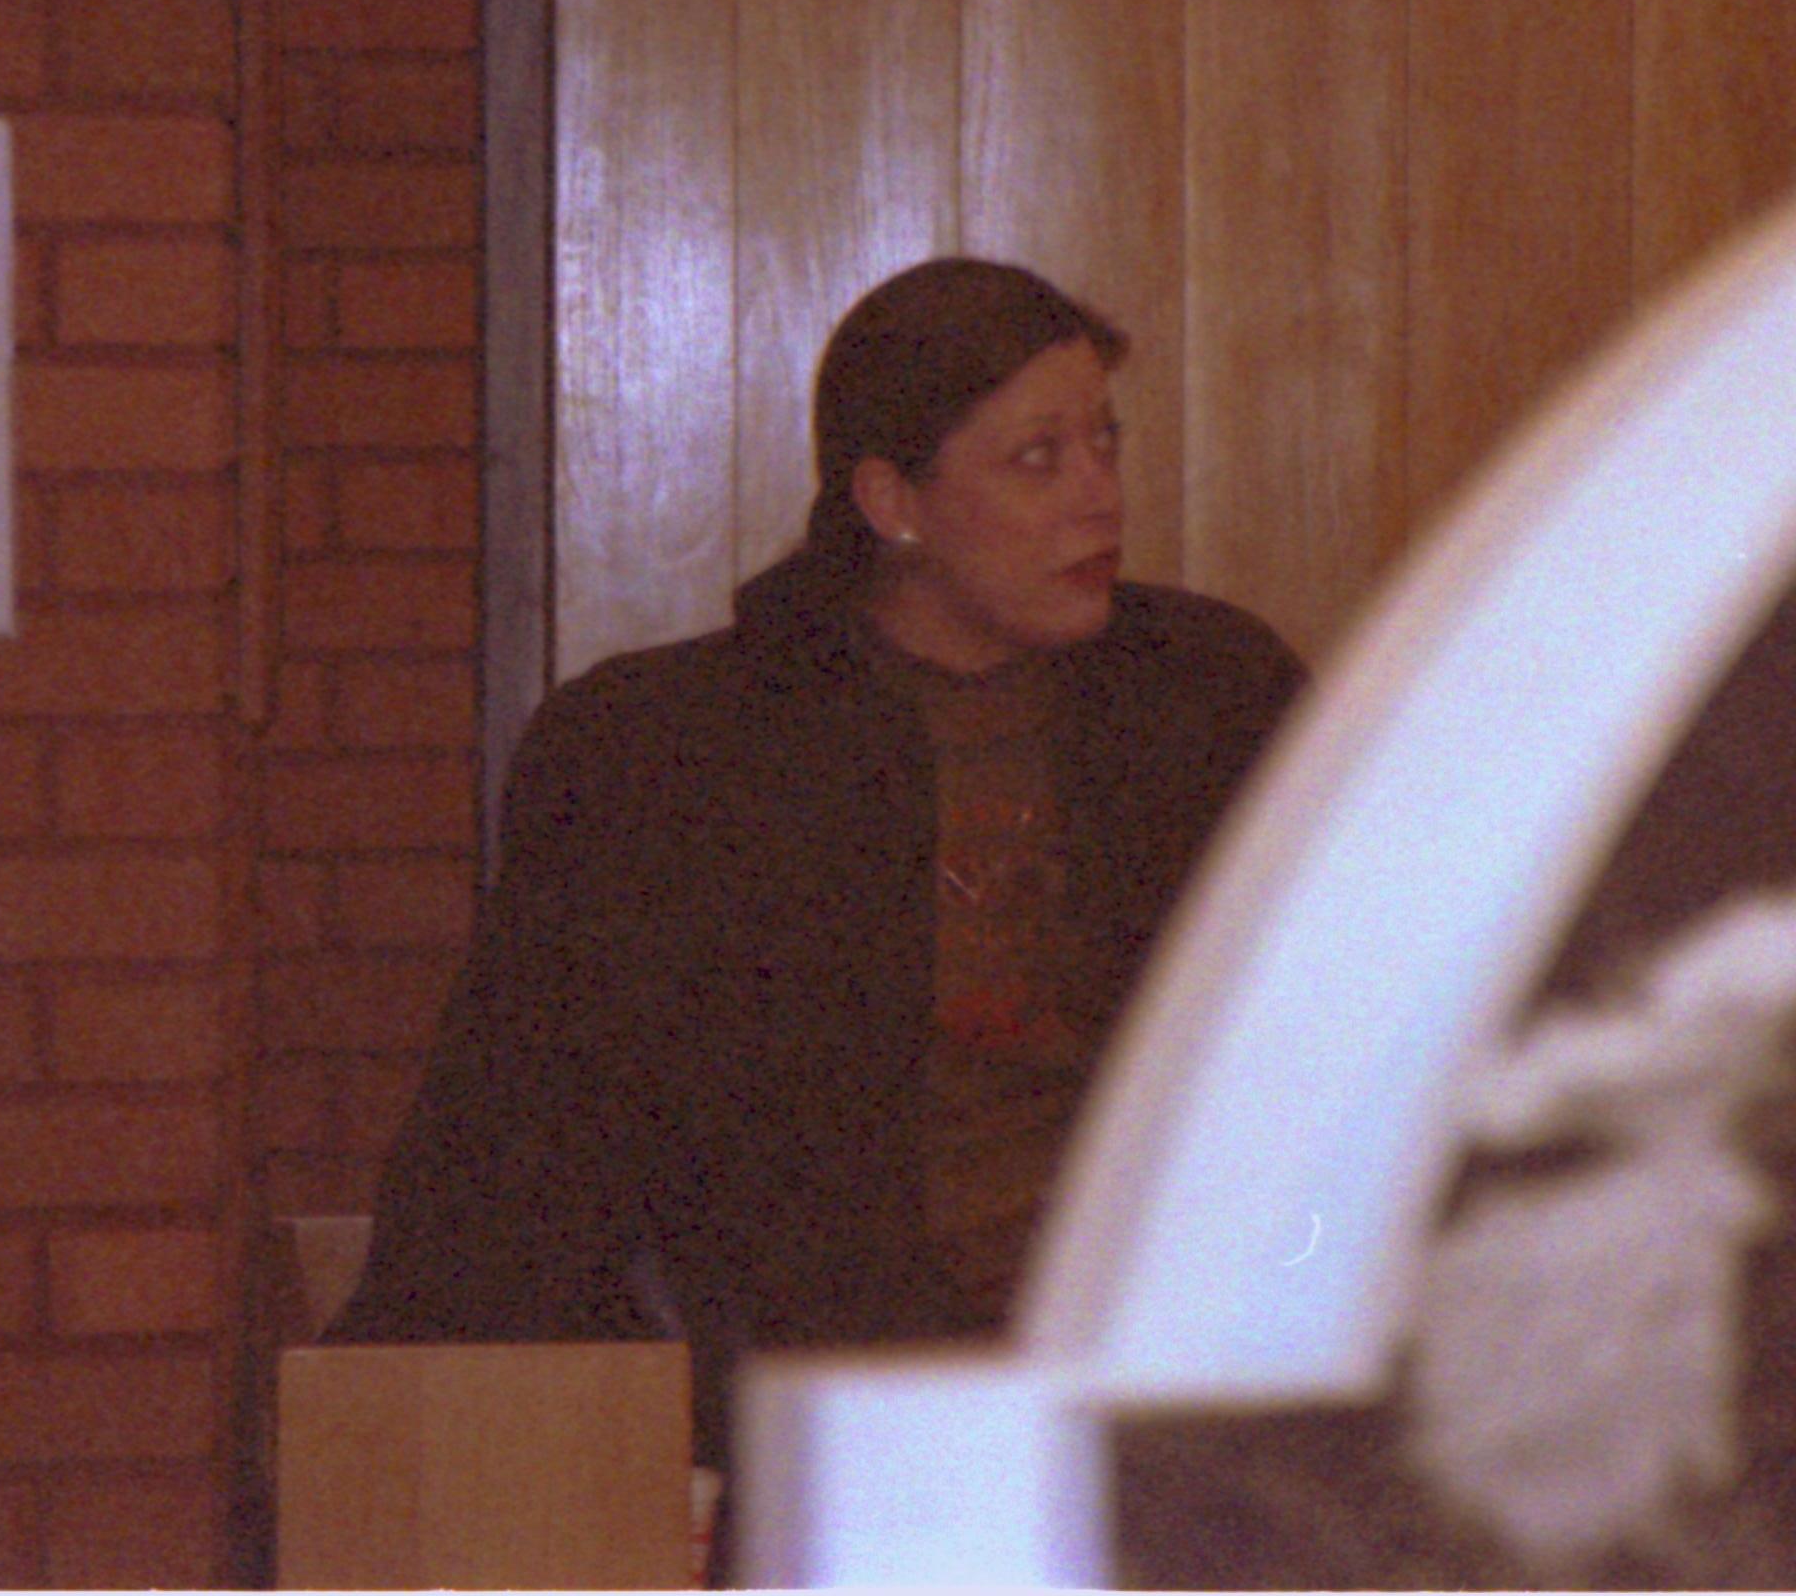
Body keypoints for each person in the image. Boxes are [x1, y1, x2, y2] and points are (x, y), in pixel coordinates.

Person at [329, 257, 1306, 1486]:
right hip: (848, 1380)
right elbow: (527, 1135)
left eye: (1105, 446)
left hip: (1169, 1358)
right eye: (1037, 460)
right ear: (893, 502)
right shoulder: (682, 752)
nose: (1097, 500)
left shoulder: (1209, 699)